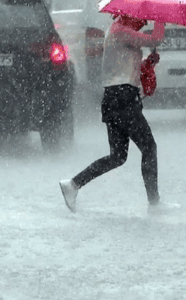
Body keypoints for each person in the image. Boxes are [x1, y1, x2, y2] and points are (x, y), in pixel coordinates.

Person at [59, 14, 178, 214]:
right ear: (129, 16)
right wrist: (160, 19)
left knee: (118, 156)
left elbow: (125, 68)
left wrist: (148, 63)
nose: (143, 23)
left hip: (114, 98)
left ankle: (73, 184)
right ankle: (155, 203)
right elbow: (155, 39)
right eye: (142, 19)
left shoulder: (119, 33)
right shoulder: (120, 31)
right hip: (123, 99)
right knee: (149, 147)